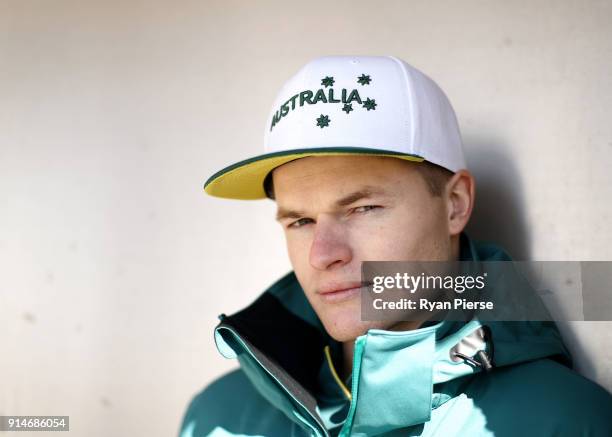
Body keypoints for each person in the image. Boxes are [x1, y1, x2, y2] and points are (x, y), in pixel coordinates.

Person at [179, 55, 612, 436]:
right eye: (300, 220)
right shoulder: (218, 417)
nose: (323, 254)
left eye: (363, 208)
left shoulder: (565, 421)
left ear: (455, 205)